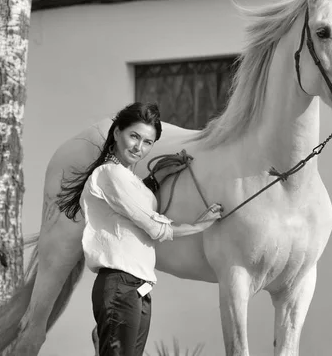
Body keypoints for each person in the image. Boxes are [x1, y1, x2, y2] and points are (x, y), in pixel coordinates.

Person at [56, 102, 222, 356]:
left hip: (138, 290)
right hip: (119, 287)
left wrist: (158, 177)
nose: (139, 147)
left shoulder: (129, 180)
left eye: (147, 142)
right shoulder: (108, 174)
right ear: (116, 133)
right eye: (134, 136)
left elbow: (136, 200)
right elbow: (152, 226)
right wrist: (200, 225)